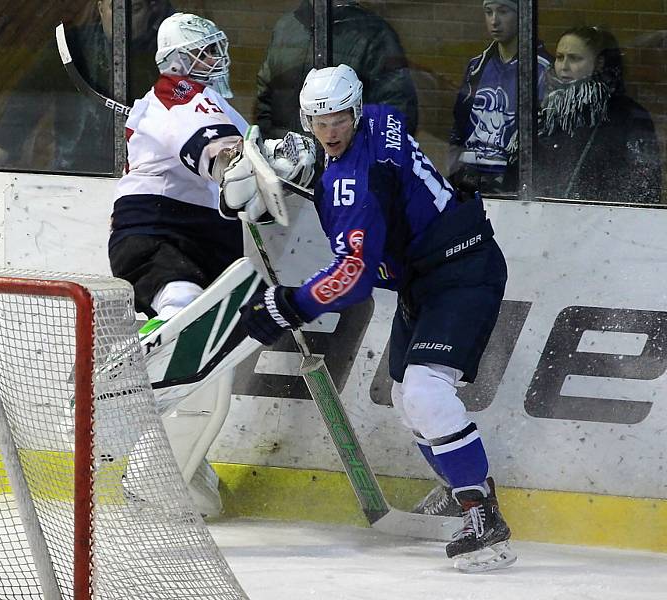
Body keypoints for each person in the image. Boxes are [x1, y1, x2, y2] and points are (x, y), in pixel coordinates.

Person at [234, 64, 515, 571]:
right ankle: (461, 490)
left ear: (354, 112)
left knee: (428, 390)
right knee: (408, 398)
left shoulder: (354, 183)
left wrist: (288, 305)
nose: (331, 132)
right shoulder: (384, 119)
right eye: (319, 122)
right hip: (428, 275)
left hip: (461, 272)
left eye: (339, 119)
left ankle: (483, 516)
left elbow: (355, 275)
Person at [109, 12, 314, 515]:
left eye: (215, 49)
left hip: (210, 242)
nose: (214, 59)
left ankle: (173, 466)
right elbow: (218, 154)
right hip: (158, 229)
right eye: (202, 51)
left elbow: (249, 171)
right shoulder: (176, 91)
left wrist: (281, 162)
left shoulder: (216, 103)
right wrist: (238, 165)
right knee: (186, 311)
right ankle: (121, 378)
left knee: (208, 363)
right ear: (175, 58)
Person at [0, 0, 174, 172]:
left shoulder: (165, 56)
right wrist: (3, 143)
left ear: (150, 11)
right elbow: (32, 92)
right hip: (75, 166)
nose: (125, 19)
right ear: (101, 9)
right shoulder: (72, 46)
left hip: (145, 170)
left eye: (136, 9)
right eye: (115, 8)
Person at [255, 0, 418, 142]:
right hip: (286, 166)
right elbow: (265, 98)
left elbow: (395, 116)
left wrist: (361, 165)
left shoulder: (375, 36)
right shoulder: (286, 28)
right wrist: (275, 150)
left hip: (349, 171)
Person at [536, 26, 662, 203]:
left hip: (604, 221)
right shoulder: (543, 112)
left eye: (575, 58)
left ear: (599, 63)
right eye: (559, 57)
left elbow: (644, 188)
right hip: (542, 219)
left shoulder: (626, 115)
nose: (564, 67)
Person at [449, 0, 550, 193]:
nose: (494, 21)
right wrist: (454, 166)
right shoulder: (476, 66)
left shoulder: (543, 68)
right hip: (467, 175)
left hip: (511, 179)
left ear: (522, 15)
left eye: (503, 11)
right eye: (488, 12)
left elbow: (545, 131)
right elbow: (459, 123)